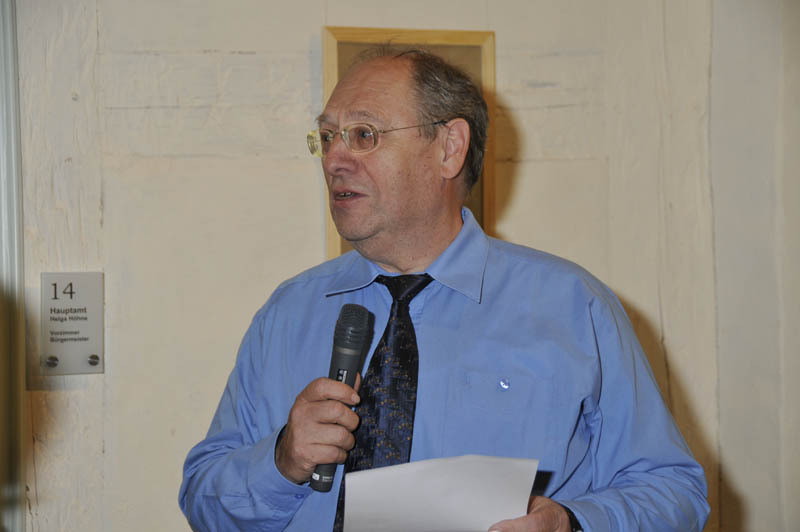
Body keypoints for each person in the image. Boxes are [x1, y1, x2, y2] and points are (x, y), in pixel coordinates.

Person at [179, 47, 709, 532]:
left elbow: (676, 492)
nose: (335, 158)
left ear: (449, 148)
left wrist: (573, 524)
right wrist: (281, 461)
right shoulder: (288, 312)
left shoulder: (573, 307)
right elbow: (202, 498)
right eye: (328, 136)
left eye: (363, 134)